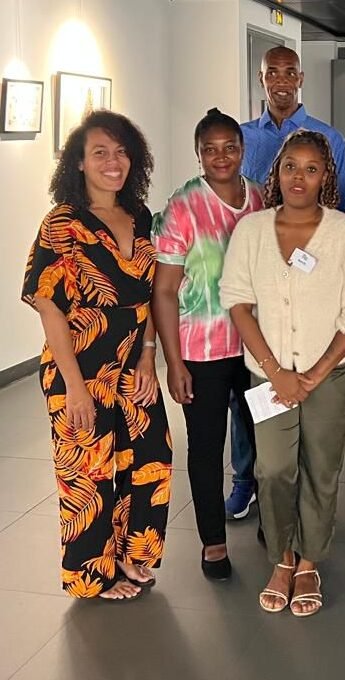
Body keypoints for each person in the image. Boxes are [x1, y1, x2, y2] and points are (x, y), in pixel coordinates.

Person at [220, 130, 345, 616]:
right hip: (267, 377)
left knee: (321, 469)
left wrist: (312, 374)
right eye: (291, 166)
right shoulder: (252, 230)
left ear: (325, 176)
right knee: (272, 468)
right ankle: (280, 557)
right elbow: (237, 301)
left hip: (329, 376)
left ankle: (308, 562)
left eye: (312, 168)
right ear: (277, 171)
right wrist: (276, 371)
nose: (299, 177)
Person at [21, 110, 173, 600]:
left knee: (151, 455)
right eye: (100, 153)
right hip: (78, 367)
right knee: (87, 472)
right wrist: (75, 387)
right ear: (80, 164)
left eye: (121, 151)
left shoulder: (140, 214)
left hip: (133, 363)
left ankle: (132, 555)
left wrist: (149, 355)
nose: (113, 162)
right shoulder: (61, 224)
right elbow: (48, 305)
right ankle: (92, 576)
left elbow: (148, 295)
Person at [151, 108, 265, 580]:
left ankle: (273, 521)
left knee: (267, 439)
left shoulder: (258, 197)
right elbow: (163, 290)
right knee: (206, 446)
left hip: (259, 347)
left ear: (242, 149)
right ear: (199, 155)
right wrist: (172, 362)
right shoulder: (184, 207)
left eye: (230, 147)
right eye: (210, 149)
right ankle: (213, 542)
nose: (221, 156)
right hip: (202, 351)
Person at [240, 46, 345, 210]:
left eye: (290, 74)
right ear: (260, 78)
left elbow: (340, 208)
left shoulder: (332, 138)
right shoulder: (241, 137)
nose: (281, 81)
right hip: (255, 232)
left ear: (301, 79)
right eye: (272, 73)